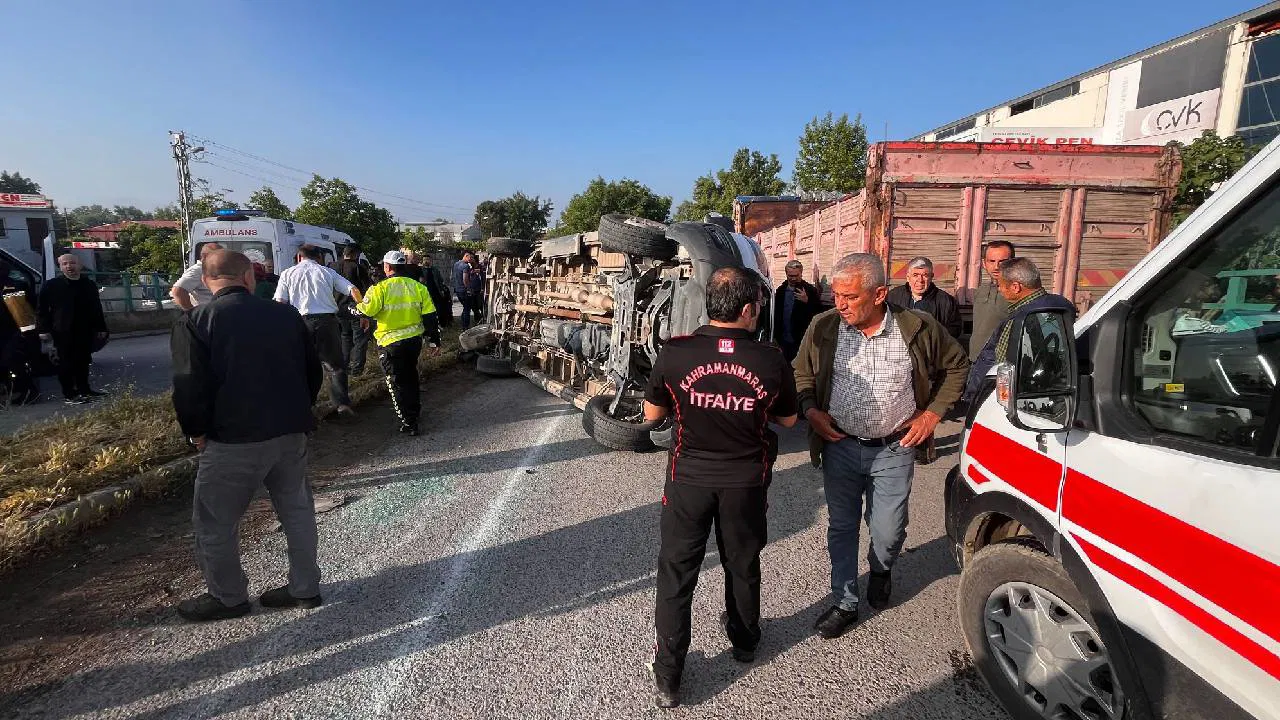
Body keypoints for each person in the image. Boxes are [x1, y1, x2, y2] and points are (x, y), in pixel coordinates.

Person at [643, 267, 798, 709]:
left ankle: (669, 675)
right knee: (742, 563)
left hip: (688, 479)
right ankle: (745, 642)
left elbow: (653, 415)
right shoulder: (770, 358)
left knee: (677, 573)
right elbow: (787, 420)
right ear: (749, 310)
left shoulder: (675, 353)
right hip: (745, 482)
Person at [793, 253, 969, 640]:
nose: (839, 304)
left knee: (888, 530)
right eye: (836, 295)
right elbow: (801, 371)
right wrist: (810, 410)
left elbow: (958, 365)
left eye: (850, 297)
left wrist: (932, 415)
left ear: (879, 295)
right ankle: (844, 601)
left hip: (893, 448)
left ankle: (881, 568)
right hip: (839, 445)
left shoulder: (919, 328)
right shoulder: (823, 327)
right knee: (841, 526)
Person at [170, 250, 324, 622]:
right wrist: (298, 413)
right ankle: (305, 589)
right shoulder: (286, 315)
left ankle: (228, 597)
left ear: (205, 281)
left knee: (216, 521)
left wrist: (196, 433)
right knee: (297, 511)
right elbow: (313, 373)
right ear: (249, 279)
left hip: (231, 440)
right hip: (290, 433)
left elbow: (189, 386)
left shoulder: (195, 320)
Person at [356, 250, 442, 436]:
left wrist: (349, 309)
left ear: (387, 267)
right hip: (413, 342)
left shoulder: (379, 289)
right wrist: (434, 341)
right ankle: (414, 413)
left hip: (390, 344)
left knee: (396, 382)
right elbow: (430, 317)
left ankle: (409, 422)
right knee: (410, 377)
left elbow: (365, 311)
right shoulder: (418, 287)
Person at [965, 258, 1076, 400]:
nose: (999, 290)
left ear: (1016, 287)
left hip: (1019, 396)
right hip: (1056, 387)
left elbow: (1003, 366)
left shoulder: (1020, 319)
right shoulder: (1061, 304)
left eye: (1000, 286)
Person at [274, 245, 363, 419]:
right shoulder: (326, 272)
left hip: (300, 323)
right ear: (319, 258)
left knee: (302, 366)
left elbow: (280, 302)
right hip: (327, 322)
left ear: (300, 257)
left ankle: (305, 407)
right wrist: (362, 311)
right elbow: (353, 290)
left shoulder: (287, 273)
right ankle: (341, 405)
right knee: (335, 366)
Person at [37, 254, 109, 405]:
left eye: (72, 263)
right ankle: (70, 394)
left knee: (83, 361)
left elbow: (96, 308)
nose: (69, 266)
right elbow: (42, 310)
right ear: (60, 266)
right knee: (65, 363)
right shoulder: (52, 285)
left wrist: (101, 327)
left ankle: (85, 390)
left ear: (80, 265)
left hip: (85, 329)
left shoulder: (88, 284)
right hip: (62, 330)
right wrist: (43, 330)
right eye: (64, 264)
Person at [886, 257, 962, 339]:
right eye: (915, 275)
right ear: (908, 277)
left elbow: (954, 330)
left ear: (931, 277)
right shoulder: (893, 297)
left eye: (925, 275)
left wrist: (932, 339)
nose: (920, 280)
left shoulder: (946, 301)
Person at [969, 241, 1015, 358]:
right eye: (992, 261)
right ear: (984, 263)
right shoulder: (981, 291)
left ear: (1013, 262)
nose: (996, 267)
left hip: (1000, 362)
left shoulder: (1017, 293)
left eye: (1002, 261)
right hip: (975, 360)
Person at [773, 259, 823, 361]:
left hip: (801, 339)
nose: (793, 278)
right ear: (786, 274)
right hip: (783, 338)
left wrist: (807, 301)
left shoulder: (810, 290)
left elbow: (818, 314)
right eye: (790, 276)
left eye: (796, 275)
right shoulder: (781, 290)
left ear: (801, 273)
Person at [334, 246, 373, 375]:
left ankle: (344, 366)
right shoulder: (358, 268)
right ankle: (357, 369)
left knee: (345, 336)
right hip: (356, 307)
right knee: (360, 339)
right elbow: (367, 289)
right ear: (355, 255)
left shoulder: (332, 267)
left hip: (338, 308)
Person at [171, 242, 223, 311]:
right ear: (204, 256)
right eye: (217, 256)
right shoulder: (198, 270)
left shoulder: (212, 269)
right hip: (206, 314)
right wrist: (192, 313)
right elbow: (177, 291)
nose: (221, 259)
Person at [453, 251, 479, 329]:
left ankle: (463, 325)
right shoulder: (465, 266)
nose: (471, 259)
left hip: (458, 289)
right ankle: (465, 327)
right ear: (466, 256)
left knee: (465, 308)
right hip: (465, 290)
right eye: (470, 257)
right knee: (467, 309)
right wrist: (469, 289)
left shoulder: (456, 264)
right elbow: (465, 279)